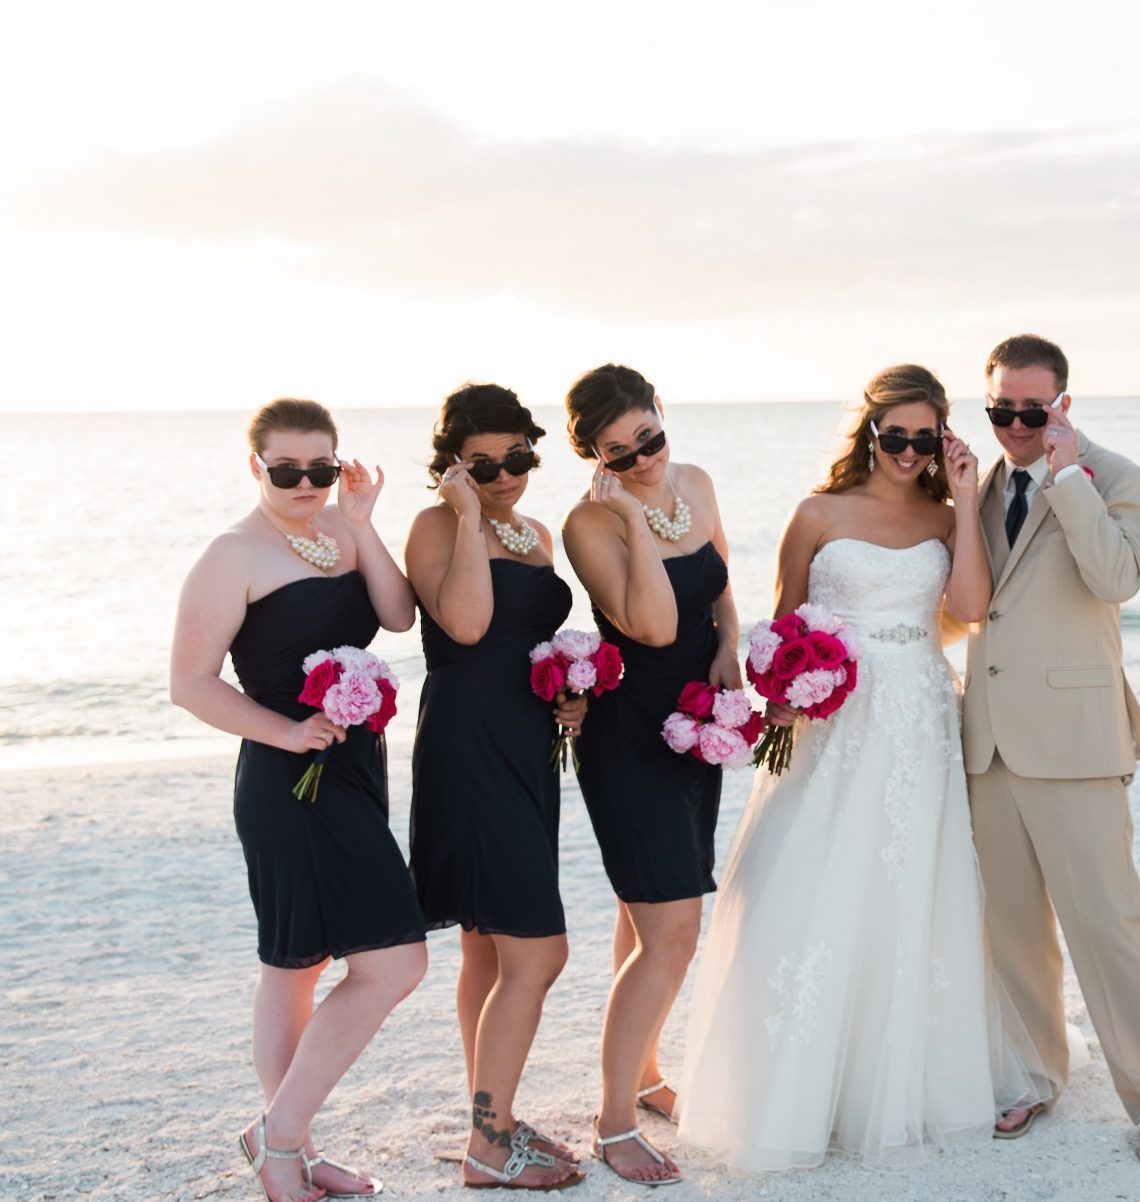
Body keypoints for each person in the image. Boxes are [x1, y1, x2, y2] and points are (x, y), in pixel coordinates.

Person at [677, 364, 1049, 1169]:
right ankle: (798, 1080)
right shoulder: (816, 512)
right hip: (831, 712)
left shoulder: (946, 514)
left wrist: (962, 493)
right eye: (897, 436)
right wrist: (787, 689)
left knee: (912, 876)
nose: (909, 451)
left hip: (917, 709)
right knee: (805, 870)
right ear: (870, 432)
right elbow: (780, 623)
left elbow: (973, 607)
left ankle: (907, 1074)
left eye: (925, 437)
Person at [170, 399, 426, 1202]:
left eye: (323, 466)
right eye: (290, 470)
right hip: (288, 779)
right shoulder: (232, 554)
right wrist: (283, 735)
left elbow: (398, 616)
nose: (308, 481)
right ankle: (279, 1138)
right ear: (257, 467)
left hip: (352, 769)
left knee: (302, 962)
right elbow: (189, 685)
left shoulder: (342, 532)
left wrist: (364, 519)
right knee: (386, 961)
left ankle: (290, 1146)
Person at [964, 334, 1140, 1164]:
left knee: (1110, 925)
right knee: (1011, 928)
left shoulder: (1117, 477)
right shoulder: (979, 486)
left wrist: (1065, 478)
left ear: (1065, 403)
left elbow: (1118, 577)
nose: (1017, 425)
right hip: (988, 741)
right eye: (1002, 410)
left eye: (1033, 411)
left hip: (1076, 739)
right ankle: (1031, 1075)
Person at [404, 383, 586, 1191]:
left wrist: (567, 687)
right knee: (539, 951)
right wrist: (470, 516)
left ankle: (492, 1116)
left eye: (518, 456)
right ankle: (489, 1141)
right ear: (453, 464)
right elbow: (469, 626)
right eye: (484, 463)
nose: (506, 473)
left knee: (488, 942)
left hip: (527, 745)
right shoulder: (438, 526)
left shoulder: (537, 532)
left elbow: (527, 638)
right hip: (468, 746)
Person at [562, 364, 731, 1186]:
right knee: (674, 932)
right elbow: (658, 627)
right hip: (630, 737)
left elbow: (720, 591)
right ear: (594, 458)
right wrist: (630, 517)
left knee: (645, 922)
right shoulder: (590, 524)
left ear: (663, 416)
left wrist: (733, 649)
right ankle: (613, 1124)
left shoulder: (695, 482)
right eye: (618, 454)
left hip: (699, 724)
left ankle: (646, 1072)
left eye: (649, 439)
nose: (642, 461)